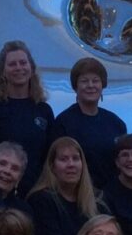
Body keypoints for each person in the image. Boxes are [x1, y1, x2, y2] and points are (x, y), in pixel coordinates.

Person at [27, 136, 106, 235]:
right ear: (52, 166)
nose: (71, 164)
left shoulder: (97, 201)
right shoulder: (40, 200)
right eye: (63, 159)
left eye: (76, 158)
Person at [0, 40, 54, 192]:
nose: (19, 68)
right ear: (2, 71)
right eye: (12, 64)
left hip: (35, 191)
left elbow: (49, 155)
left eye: (23, 63)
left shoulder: (44, 110)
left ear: (31, 67)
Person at [51, 57, 127, 190]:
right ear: (75, 87)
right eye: (84, 81)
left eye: (95, 80)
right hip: (78, 195)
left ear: (102, 85)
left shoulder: (116, 123)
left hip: (113, 196)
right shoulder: (63, 123)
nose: (90, 85)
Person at [0, 141, 31, 215]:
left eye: (15, 168)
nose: (7, 171)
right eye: (2, 163)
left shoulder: (24, 212)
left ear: (19, 178)